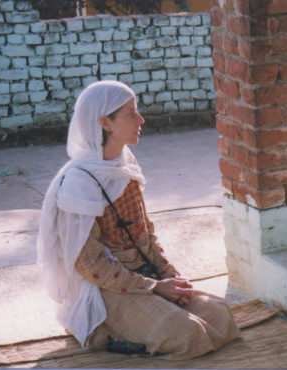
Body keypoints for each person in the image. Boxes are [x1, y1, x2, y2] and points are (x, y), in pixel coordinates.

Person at [37, 80, 240, 358]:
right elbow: (89, 264)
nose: (140, 119)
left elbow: (145, 232)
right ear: (105, 123)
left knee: (220, 315)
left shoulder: (125, 163)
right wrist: (154, 288)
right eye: (131, 113)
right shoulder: (78, 184)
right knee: (189, 334)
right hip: (106, 287)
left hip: (145, 272)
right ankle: (107, 335)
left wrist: (169, 276)